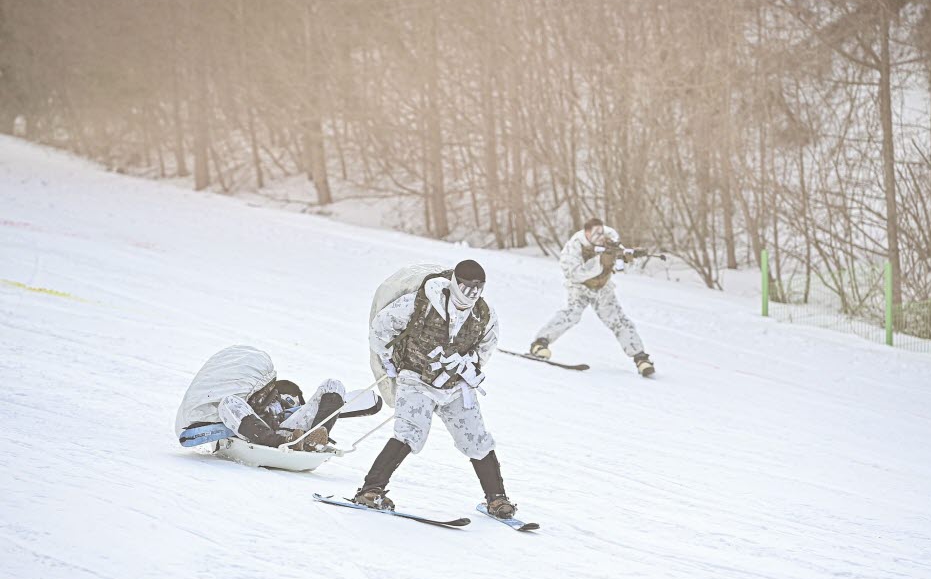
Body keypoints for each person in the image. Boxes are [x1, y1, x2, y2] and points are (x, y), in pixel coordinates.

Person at [355, 259, 518, 518]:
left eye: (479, 288)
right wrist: (387, 361)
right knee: (409, 433)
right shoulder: (421, 301)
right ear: (455, 283)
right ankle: (371, 490)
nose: (472, 294)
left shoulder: (484, 313)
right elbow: (381, 328)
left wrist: (470, 363)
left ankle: (496, 499)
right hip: (416, 378)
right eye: (467, 288)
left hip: (455, 387)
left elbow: (487, 344)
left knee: (476, 439)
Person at [176, 345, 380, 452]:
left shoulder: (282, 391)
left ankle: (318, 434)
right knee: (228, 403)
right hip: (263, 434)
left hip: (292, 431)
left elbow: (296, 410)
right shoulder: (240, 403)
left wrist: (313, 418)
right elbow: (190, 437)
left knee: (333, 384)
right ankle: (286, 442)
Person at [530, 217, 655, 376]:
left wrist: (629, 257)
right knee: (571, 315)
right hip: (579, 288)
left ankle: (641, 358)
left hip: (603, 289)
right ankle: (540, 344)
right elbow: (573, 274)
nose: (600, 237)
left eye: (601, 232)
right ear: (586, 233)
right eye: (595, 234)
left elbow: (622, 265)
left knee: (619, 321)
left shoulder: (611, 239)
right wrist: (599, 262)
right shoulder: (573, 248)